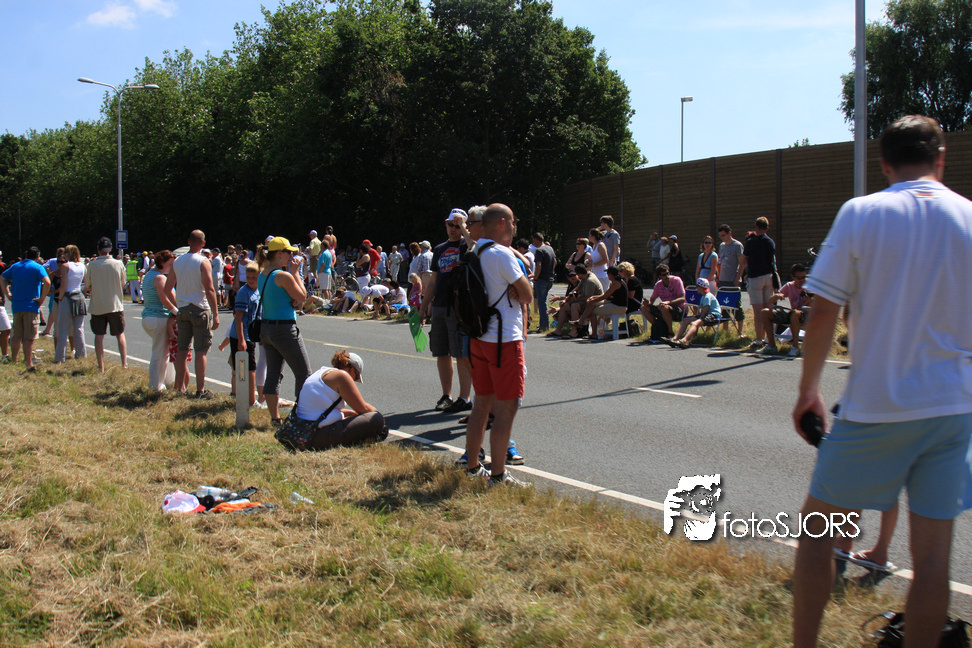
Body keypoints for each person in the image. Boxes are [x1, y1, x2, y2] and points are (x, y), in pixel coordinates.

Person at [791, 115, 972, 648]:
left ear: (885, 164)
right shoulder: (968, 217)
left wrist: (808, 391)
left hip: (877, 406)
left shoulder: (862, 213)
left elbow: (824, 311)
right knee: (933, 559)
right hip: (952, 408)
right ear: (941, 159)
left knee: (818, 535)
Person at [463, 203, 533, 488]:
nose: (515, 227)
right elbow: (527, 295)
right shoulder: (502, 254)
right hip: (503, 339)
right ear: (502, 223)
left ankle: (472, 467)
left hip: (478, 337)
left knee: (481, 403)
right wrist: (517, 287)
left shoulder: (473, 252)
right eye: (513, 222)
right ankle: (498, 475)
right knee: (506, 409)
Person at [420, 208, 472, 413]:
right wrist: (423, 307)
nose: (453, 229)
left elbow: (475, 247)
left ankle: (464, 397)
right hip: (440, 305)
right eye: (451, 224)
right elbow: (433, 281)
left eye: (457, 225)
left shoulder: (467, 245)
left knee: (461, 353)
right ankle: (446, 395)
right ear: (445, 224)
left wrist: (464, 228)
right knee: (441, 351)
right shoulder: (440, 249)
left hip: (459, 306)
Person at [257, 237, 311, 425]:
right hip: (284, 328)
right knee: (303, 373)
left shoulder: (263, 274)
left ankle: (275, 418)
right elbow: (302, 297)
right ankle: (301, 416)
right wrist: (295, 273)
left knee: (273, 374)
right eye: (289, 252)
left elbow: (284, 297)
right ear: (279, 254)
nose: (291, 256)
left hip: (267, 327)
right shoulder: (283, 276)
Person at [290, 350, 387, 450]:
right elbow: (364, 408)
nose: (353, 381)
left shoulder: (321, 372)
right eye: (356, 377)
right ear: (351, 369)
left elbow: (322, 410)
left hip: (299, 431)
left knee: (366, 419)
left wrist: (350, 413)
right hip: (314, 436)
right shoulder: (342, 376)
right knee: (377, 419)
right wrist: (378, 418)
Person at [163, 230, 220, 395]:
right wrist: (215, 313)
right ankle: (200, 389)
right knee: (201, 350)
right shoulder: (203, 261)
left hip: (183, 309)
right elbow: (209, 288)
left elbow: (168, 288)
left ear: (189, 241)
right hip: (200, 307)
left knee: (182, 349)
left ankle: (180, 387)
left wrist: (178, 303)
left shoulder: (178, 261)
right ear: (203, 243)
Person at [0, 246, 50, 371]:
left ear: (26, 255)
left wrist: (8, 294)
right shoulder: (38, 267)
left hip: (17, 305)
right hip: (31, 306)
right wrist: (42, 298)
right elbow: (47, 282)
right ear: (37, 256)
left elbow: (2, 278)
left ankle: (14, 360)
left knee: (16, 335)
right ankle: (28, 363)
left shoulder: (15, 266)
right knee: (28, 338)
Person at [85, 237, 128, 372]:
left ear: (98, 249)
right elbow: (123, 282)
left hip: (98, 305)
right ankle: (124, 364)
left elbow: (88, 285)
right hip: (115, 305)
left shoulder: (92, 265)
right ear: (110, 249)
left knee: (99, 336)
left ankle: (101, 366)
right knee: (120, 334)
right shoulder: (118, 263)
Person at [756, 263, 813, 357]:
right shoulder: (789, 286)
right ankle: (771, 345)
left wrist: (810, 300)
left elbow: (820, 304)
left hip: (807, 315)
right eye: (799, 278)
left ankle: (795, 347)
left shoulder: (811, 285)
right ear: (793, 277)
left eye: (804, 277)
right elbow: (771, 301)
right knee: (765, 312)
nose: (802, 280)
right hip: (793, 314)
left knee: (794, 313)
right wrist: (777, 296)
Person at [140, 250, 175, 390]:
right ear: (162, 263)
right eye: (170, 264)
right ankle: (156, 385)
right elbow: (164, 299)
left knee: (162, 353)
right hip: (159, 317)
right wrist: (177, 312)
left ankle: (165, 382)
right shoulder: (160, 278)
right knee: (159, 354)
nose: (172, 268)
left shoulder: (150, 275)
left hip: (150, 317)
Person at [741, 217, 777, 351]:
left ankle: (759, 339)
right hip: (768, 276)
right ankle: (769, 339)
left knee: (758, 312)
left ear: (756, 227)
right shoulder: (770, 242)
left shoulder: (751, 242)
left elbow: (744, 260)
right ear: (767, 228)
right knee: (768, 309)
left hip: (755, 277)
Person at [228, 262, 261, 407]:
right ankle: (250, 401)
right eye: (248, 277)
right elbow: (239, 318)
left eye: (254, 277)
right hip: (241, 335)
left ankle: (247, 399)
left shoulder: (258, 291)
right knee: (247, 370)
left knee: (251, 368)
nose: (251, 280)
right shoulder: (243, 292)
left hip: (251, 335)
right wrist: (241, 340)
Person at [53, 244, 87, 364]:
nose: (63, 255)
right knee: (78, 329)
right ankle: (81, 355)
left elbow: (63, 284)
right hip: (79, 296)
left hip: (68, 296)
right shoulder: (82, 266)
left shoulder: (65, 266)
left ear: (69, 254)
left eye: (65, 253)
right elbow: (84, 282)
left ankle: (59, 357)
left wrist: (60, 297)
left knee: (62, 329)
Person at [663, 278, 720, 349]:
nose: (696, 288)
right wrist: (698, 317)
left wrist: (699, 318)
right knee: (686, 320)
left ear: (701, 287)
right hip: (707, 315)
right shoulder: (703, 297)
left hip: (713, 315)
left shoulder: (708, 296)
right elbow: (703, 311)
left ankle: (683, 340)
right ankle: (674, 339)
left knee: (694, 323)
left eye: (697, 286)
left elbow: (706, 308)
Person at [640, 264, 685, 338]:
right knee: (643, 308)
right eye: (664, 275)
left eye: (668, 273)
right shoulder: (658, 285)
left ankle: (670, 332)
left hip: (679, 310)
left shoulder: (676, 280)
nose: (667, 276)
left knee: (664, 307)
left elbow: (682, 298)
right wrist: (647, 303)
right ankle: (659, 328)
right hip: (664, 309)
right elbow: (652, 301)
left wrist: (668, 302)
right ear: (659, 276)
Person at [716, 224, 746, 335]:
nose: (722, 238)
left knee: (736, 306)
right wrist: (718, 275)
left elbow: (742, 263)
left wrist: (737, 278)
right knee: (723, 306)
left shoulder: (737, 245)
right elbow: (719, 262)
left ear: (730, 233)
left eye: (723, 235)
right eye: (720, 236)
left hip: (733, 280)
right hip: (722, 280)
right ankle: (725, 330)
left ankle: (740, 331)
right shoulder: (722, 246)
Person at [531, 232, 556, 332]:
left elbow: (539, 266)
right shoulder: (550, 249)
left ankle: (544, 325)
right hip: (550, 278)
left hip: (542, 279)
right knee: (543, 301)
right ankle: (544, 324)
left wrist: (535, 278)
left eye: (534, 241)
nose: (533, 243)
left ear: (537, 240)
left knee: (541, 302)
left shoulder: (539, 251)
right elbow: (555, 262)